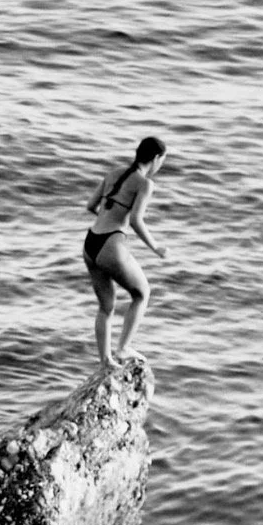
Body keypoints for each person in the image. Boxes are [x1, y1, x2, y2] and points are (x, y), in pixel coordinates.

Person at [84, 134, 169, 367]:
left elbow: (91, 206)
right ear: (156, 158)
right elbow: (136, 221)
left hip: (91, 242)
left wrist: (107, 219)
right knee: (142, 293)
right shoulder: (145, 184)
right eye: (162, 161)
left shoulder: (112, 174)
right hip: (111, 243)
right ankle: (122, 349)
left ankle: (105, 361)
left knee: (106, 307)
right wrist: (156, 248)